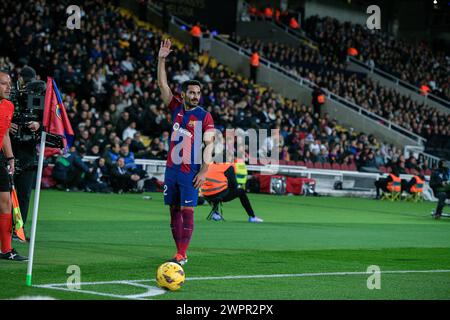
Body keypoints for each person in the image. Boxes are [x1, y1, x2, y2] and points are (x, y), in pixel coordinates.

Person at [158, 39, 215, 266]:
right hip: (171, 168)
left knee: (187, 209)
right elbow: (163, 86)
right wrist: (161, 59)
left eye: (198, 92)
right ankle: (178, 251)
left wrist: (204, 170)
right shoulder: (175, 109)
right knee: (173, 210)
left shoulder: (204, 116)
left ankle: (182, 254)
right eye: (191, 92)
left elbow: (209, 145)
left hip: (190, 169)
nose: (195, 96)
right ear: (183, 95)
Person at [9, 67, 41, 238]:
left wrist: (38, 124)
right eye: (26, 80)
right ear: (19, 78)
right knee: (5, 191)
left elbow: (48, 122)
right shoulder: (8, 93)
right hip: (9, 149)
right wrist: (7, 125)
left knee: (24, 194)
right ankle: (5, 229)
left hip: (28, 151)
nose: (28, 85)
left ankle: (18, 229)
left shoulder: (38, 97)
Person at [0, 70, 27, 261]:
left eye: (9, 83)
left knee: (6, 202)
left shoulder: (9, 106)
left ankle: (6, 250)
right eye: (3, 83)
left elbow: (5, 134)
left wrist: (10, 158)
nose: (9, 87)